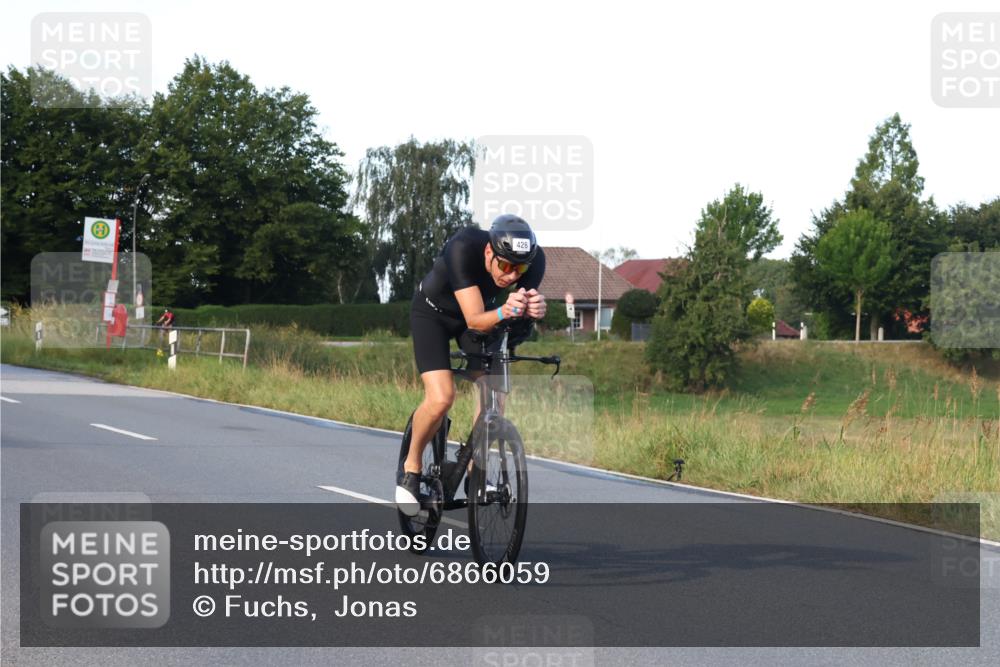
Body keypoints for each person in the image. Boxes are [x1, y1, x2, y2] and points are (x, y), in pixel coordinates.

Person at [397, 214, 547, 515]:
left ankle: (474, 470)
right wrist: (506, 311)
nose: (511, 276)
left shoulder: (535, 259)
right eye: (505, 266)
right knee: (441, 398)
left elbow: (510, 321)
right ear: (490, 253)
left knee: (495, 395)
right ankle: (411, 466)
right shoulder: (463, 247)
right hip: (434, 315)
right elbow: (475, 319)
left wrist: (534, 311)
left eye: (520, 269)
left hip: (482, 320)